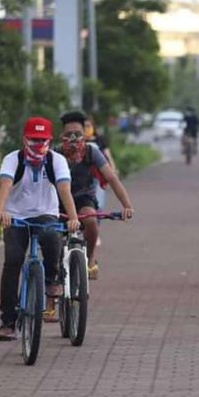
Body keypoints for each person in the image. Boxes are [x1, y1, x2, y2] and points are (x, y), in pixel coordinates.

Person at [0, 116, 80, 341]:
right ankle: (8, 321)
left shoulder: (56, 160)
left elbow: (64, 189)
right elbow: (4, 185)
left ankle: (52, 280)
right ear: (24, 139)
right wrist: (0, 211)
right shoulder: (12, 159)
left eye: (42, 140)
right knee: (12, 262)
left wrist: (72, 218)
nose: (37, 145)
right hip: (16, 217)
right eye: (33, 140)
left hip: (45, 214)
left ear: (50, 140)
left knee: (52, 236)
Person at [59, 111, 135, 283]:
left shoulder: (92, 152)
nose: (73, 139)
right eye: (68, 135)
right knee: (52, 239)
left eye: (77, 134)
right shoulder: (54, 154)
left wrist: (127, 206)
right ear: (61, 135)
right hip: (58, 203)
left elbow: (111, 178)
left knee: (91, 221)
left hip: (84, 199)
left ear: (85, 135)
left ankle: (90, 257)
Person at [84, 115, 117, 211]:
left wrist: (113, 169)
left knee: (99, 204)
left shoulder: (100, 139)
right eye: (84, 126)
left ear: (93, 126)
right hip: (84, 176)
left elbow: (108, 155)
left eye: (88, 126)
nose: (87, 128)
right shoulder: (79, 141)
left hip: (98, 174)